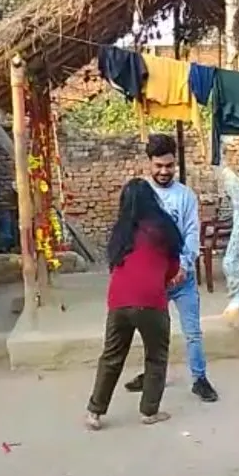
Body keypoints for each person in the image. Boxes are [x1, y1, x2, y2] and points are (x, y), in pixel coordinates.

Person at [125, 134, 218, 403]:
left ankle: (199, 379)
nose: (164, 171)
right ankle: (151, 376)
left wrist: (185, 266)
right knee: (152, 332)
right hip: (153, 279)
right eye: (158, 166)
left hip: (183, 277)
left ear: (175, 164)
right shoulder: (141, 195)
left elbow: (191, 232)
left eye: (169, 166)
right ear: (149, 164)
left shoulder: (186, 196)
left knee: (192, 332)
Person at [86, 178, 184, 430]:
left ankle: (94, 412)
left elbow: (114, 265)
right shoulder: (163, 228)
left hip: (118, 300)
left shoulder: (121, 231)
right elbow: (172, 267)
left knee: (111, 356)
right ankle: (149, 411)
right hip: (151, 300)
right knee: (156, 356)